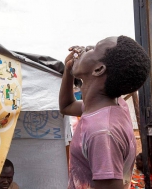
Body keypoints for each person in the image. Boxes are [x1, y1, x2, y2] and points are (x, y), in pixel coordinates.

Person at [59, 36, 150, 189]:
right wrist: (68, 70)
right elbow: (67, 106)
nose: (86, 48)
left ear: (98, 69)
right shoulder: (111, 105)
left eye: (94, 48)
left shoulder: (101, 133)